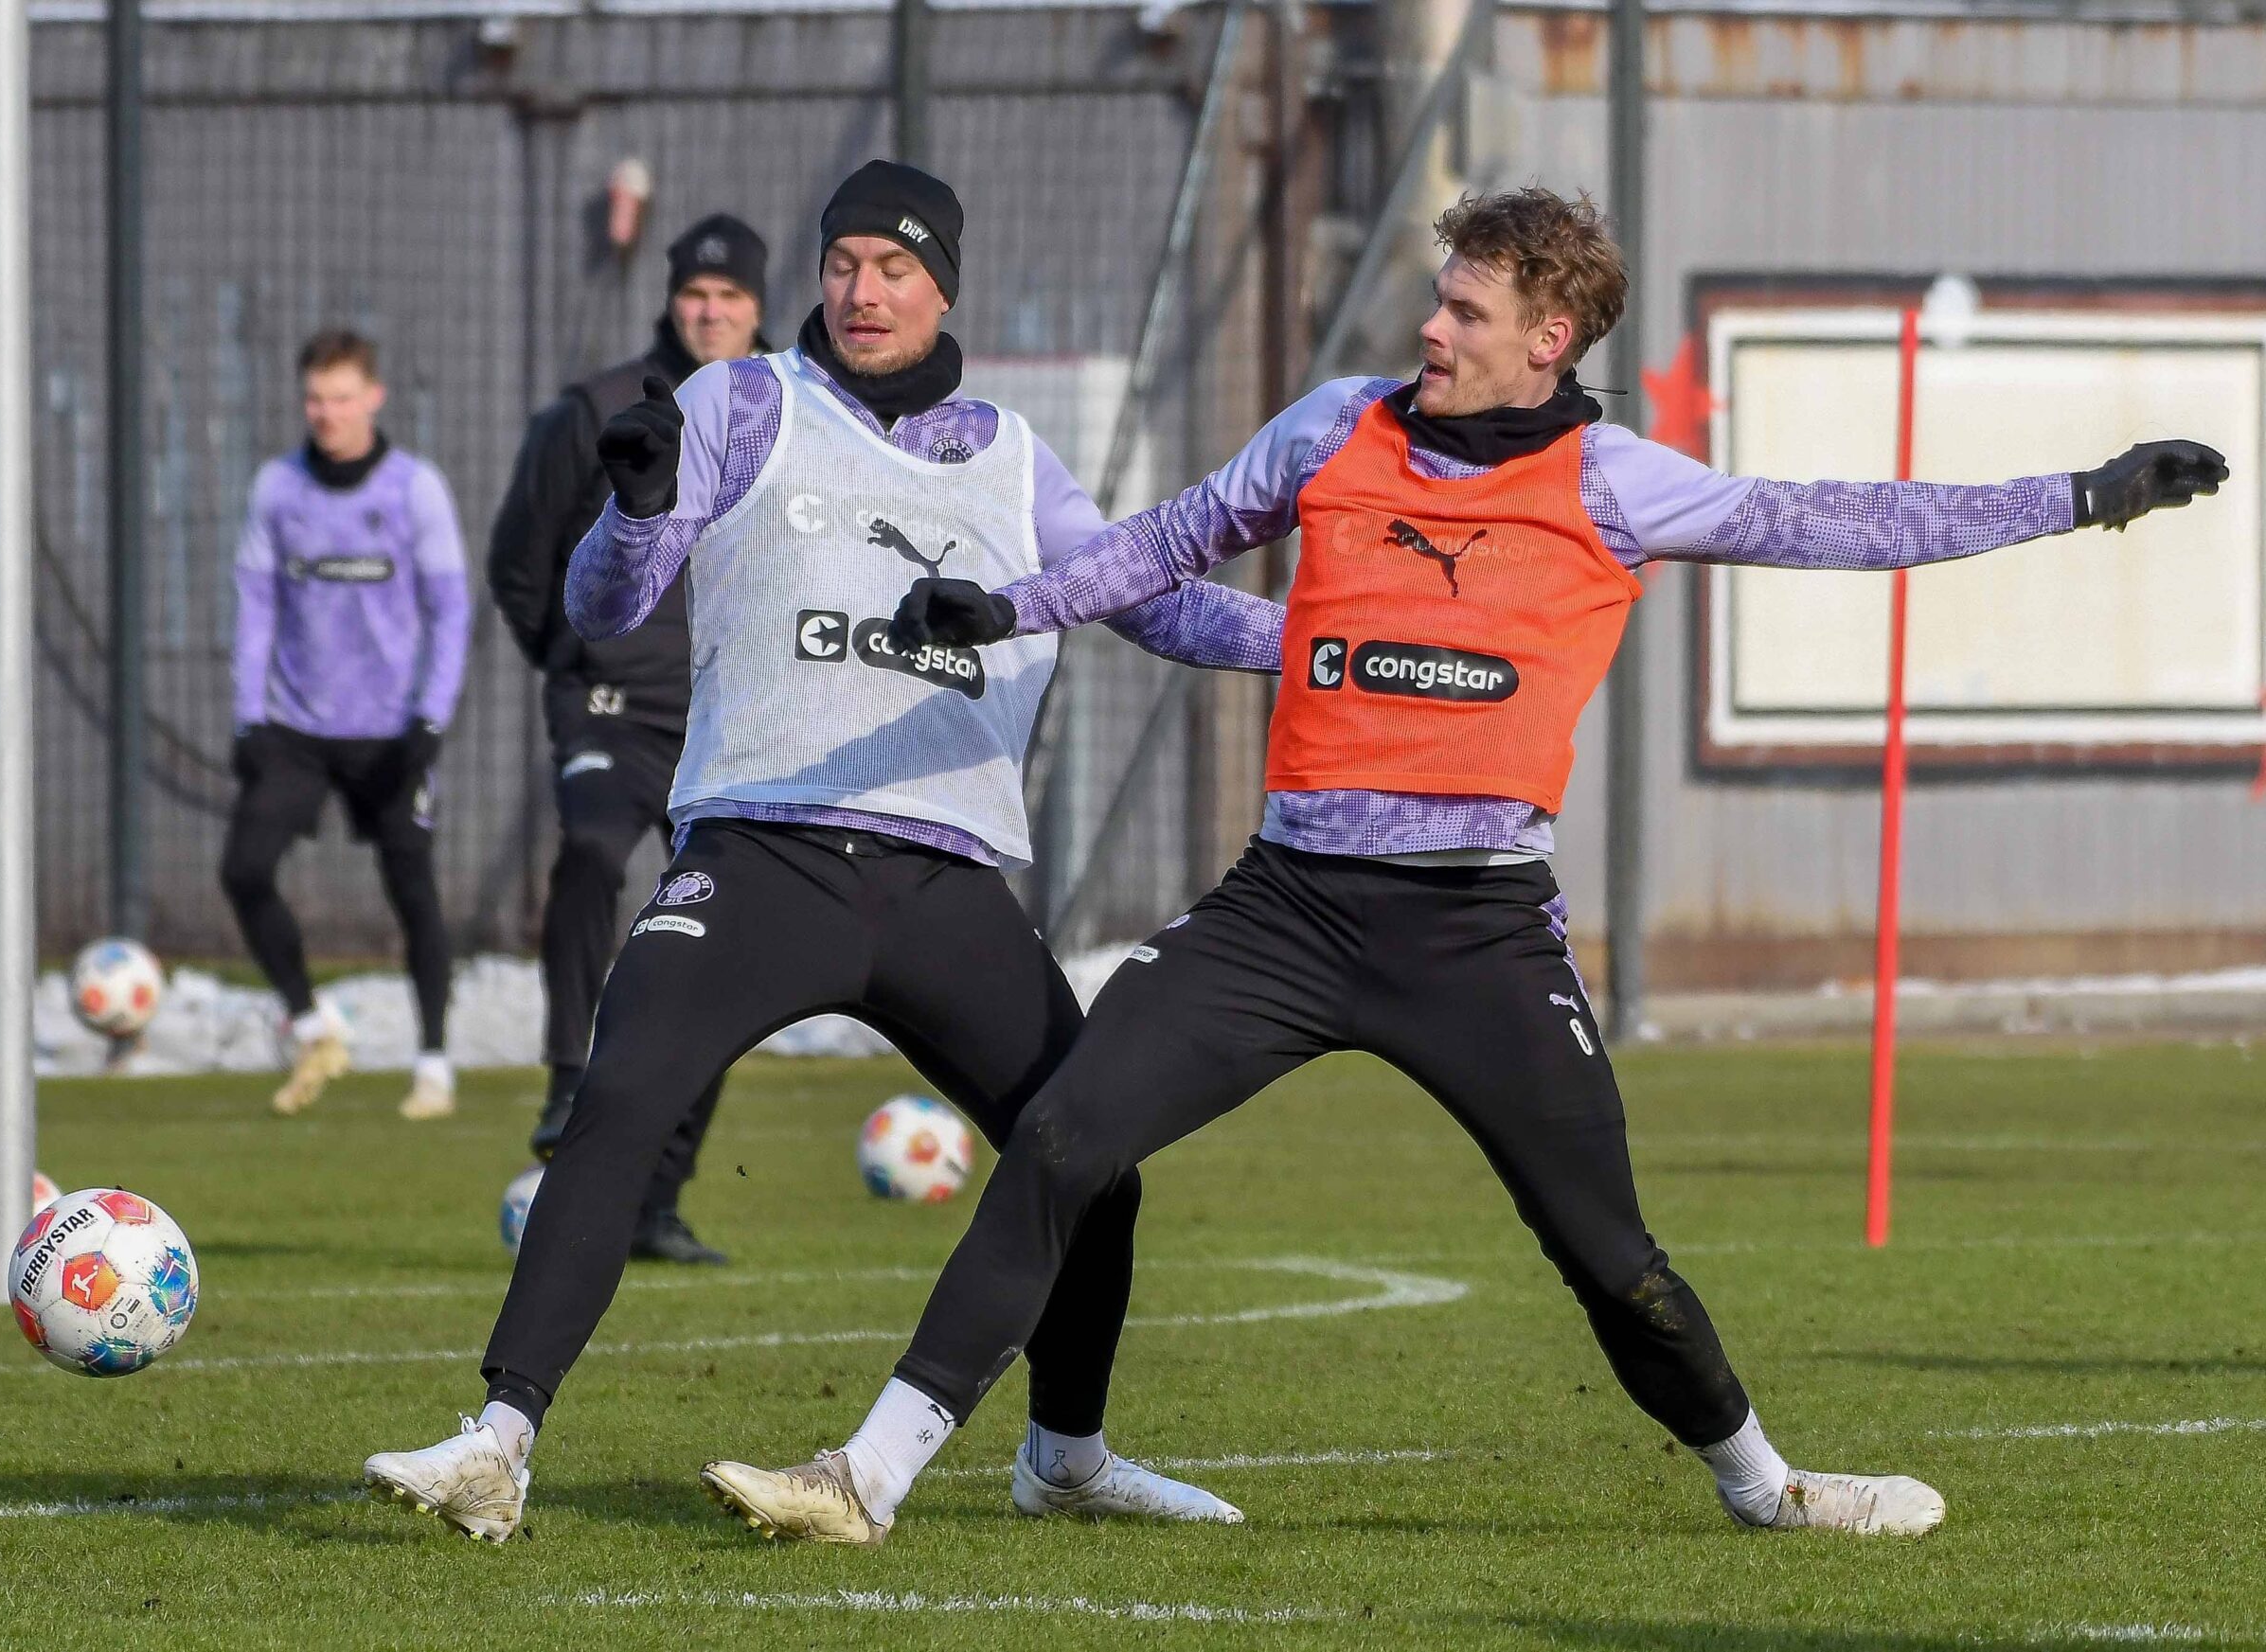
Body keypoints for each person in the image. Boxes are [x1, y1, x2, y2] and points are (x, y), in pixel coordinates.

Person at [702, 186, 2231, 1544]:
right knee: (1062, 1134)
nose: (1431, 326)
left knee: (1610, 1257)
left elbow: (1842, 522)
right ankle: (870, 1477)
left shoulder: (1621, 482)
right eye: (1437, 298)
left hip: (1479, 933)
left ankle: (1766, 1483)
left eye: (1465, 308)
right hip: (1285, 911)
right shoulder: (1331, 430)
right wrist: (1016, 606)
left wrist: (2082, 499)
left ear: (1549, 334)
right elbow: (1163, 544)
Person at [363, 161, 1289, 1543]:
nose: (863, 290)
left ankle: (1070, 1456)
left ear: (945, 288)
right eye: (844, 261)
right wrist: (625, 513)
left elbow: (1151, 603)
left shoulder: (1014, 456)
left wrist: (1324, 648)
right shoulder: (739, 403)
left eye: (895, 267)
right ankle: (500, 1441)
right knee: (622, 1099)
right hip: (758, 852)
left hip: (943, 878)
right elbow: (608, 604)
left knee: (1089, 1152)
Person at [489, 213, 775, 1266]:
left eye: (731, 297)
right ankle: (570, 1072)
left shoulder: (780, 415)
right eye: (695, 293)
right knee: (594, 853)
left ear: (755, 308)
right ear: (672, 297)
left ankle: (656, 1198)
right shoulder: (597, 409)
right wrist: (576, 659)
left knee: (729, 950)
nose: (710, 310)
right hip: (611, 703)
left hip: (732, 717)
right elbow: (520, 559)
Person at [223, 329, 473, 1122]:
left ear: (373, 397)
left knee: (412, 893)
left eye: (340, 397)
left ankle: (433, 1062)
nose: (325, 413)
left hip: (390, 732)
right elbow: (256, 605)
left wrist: (430, 717)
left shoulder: (412, 490)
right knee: (244, 868)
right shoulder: (278, 488)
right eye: (313, 399)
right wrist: (248, 716)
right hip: (297, 728)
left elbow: (450, 609)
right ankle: (311, 1025)